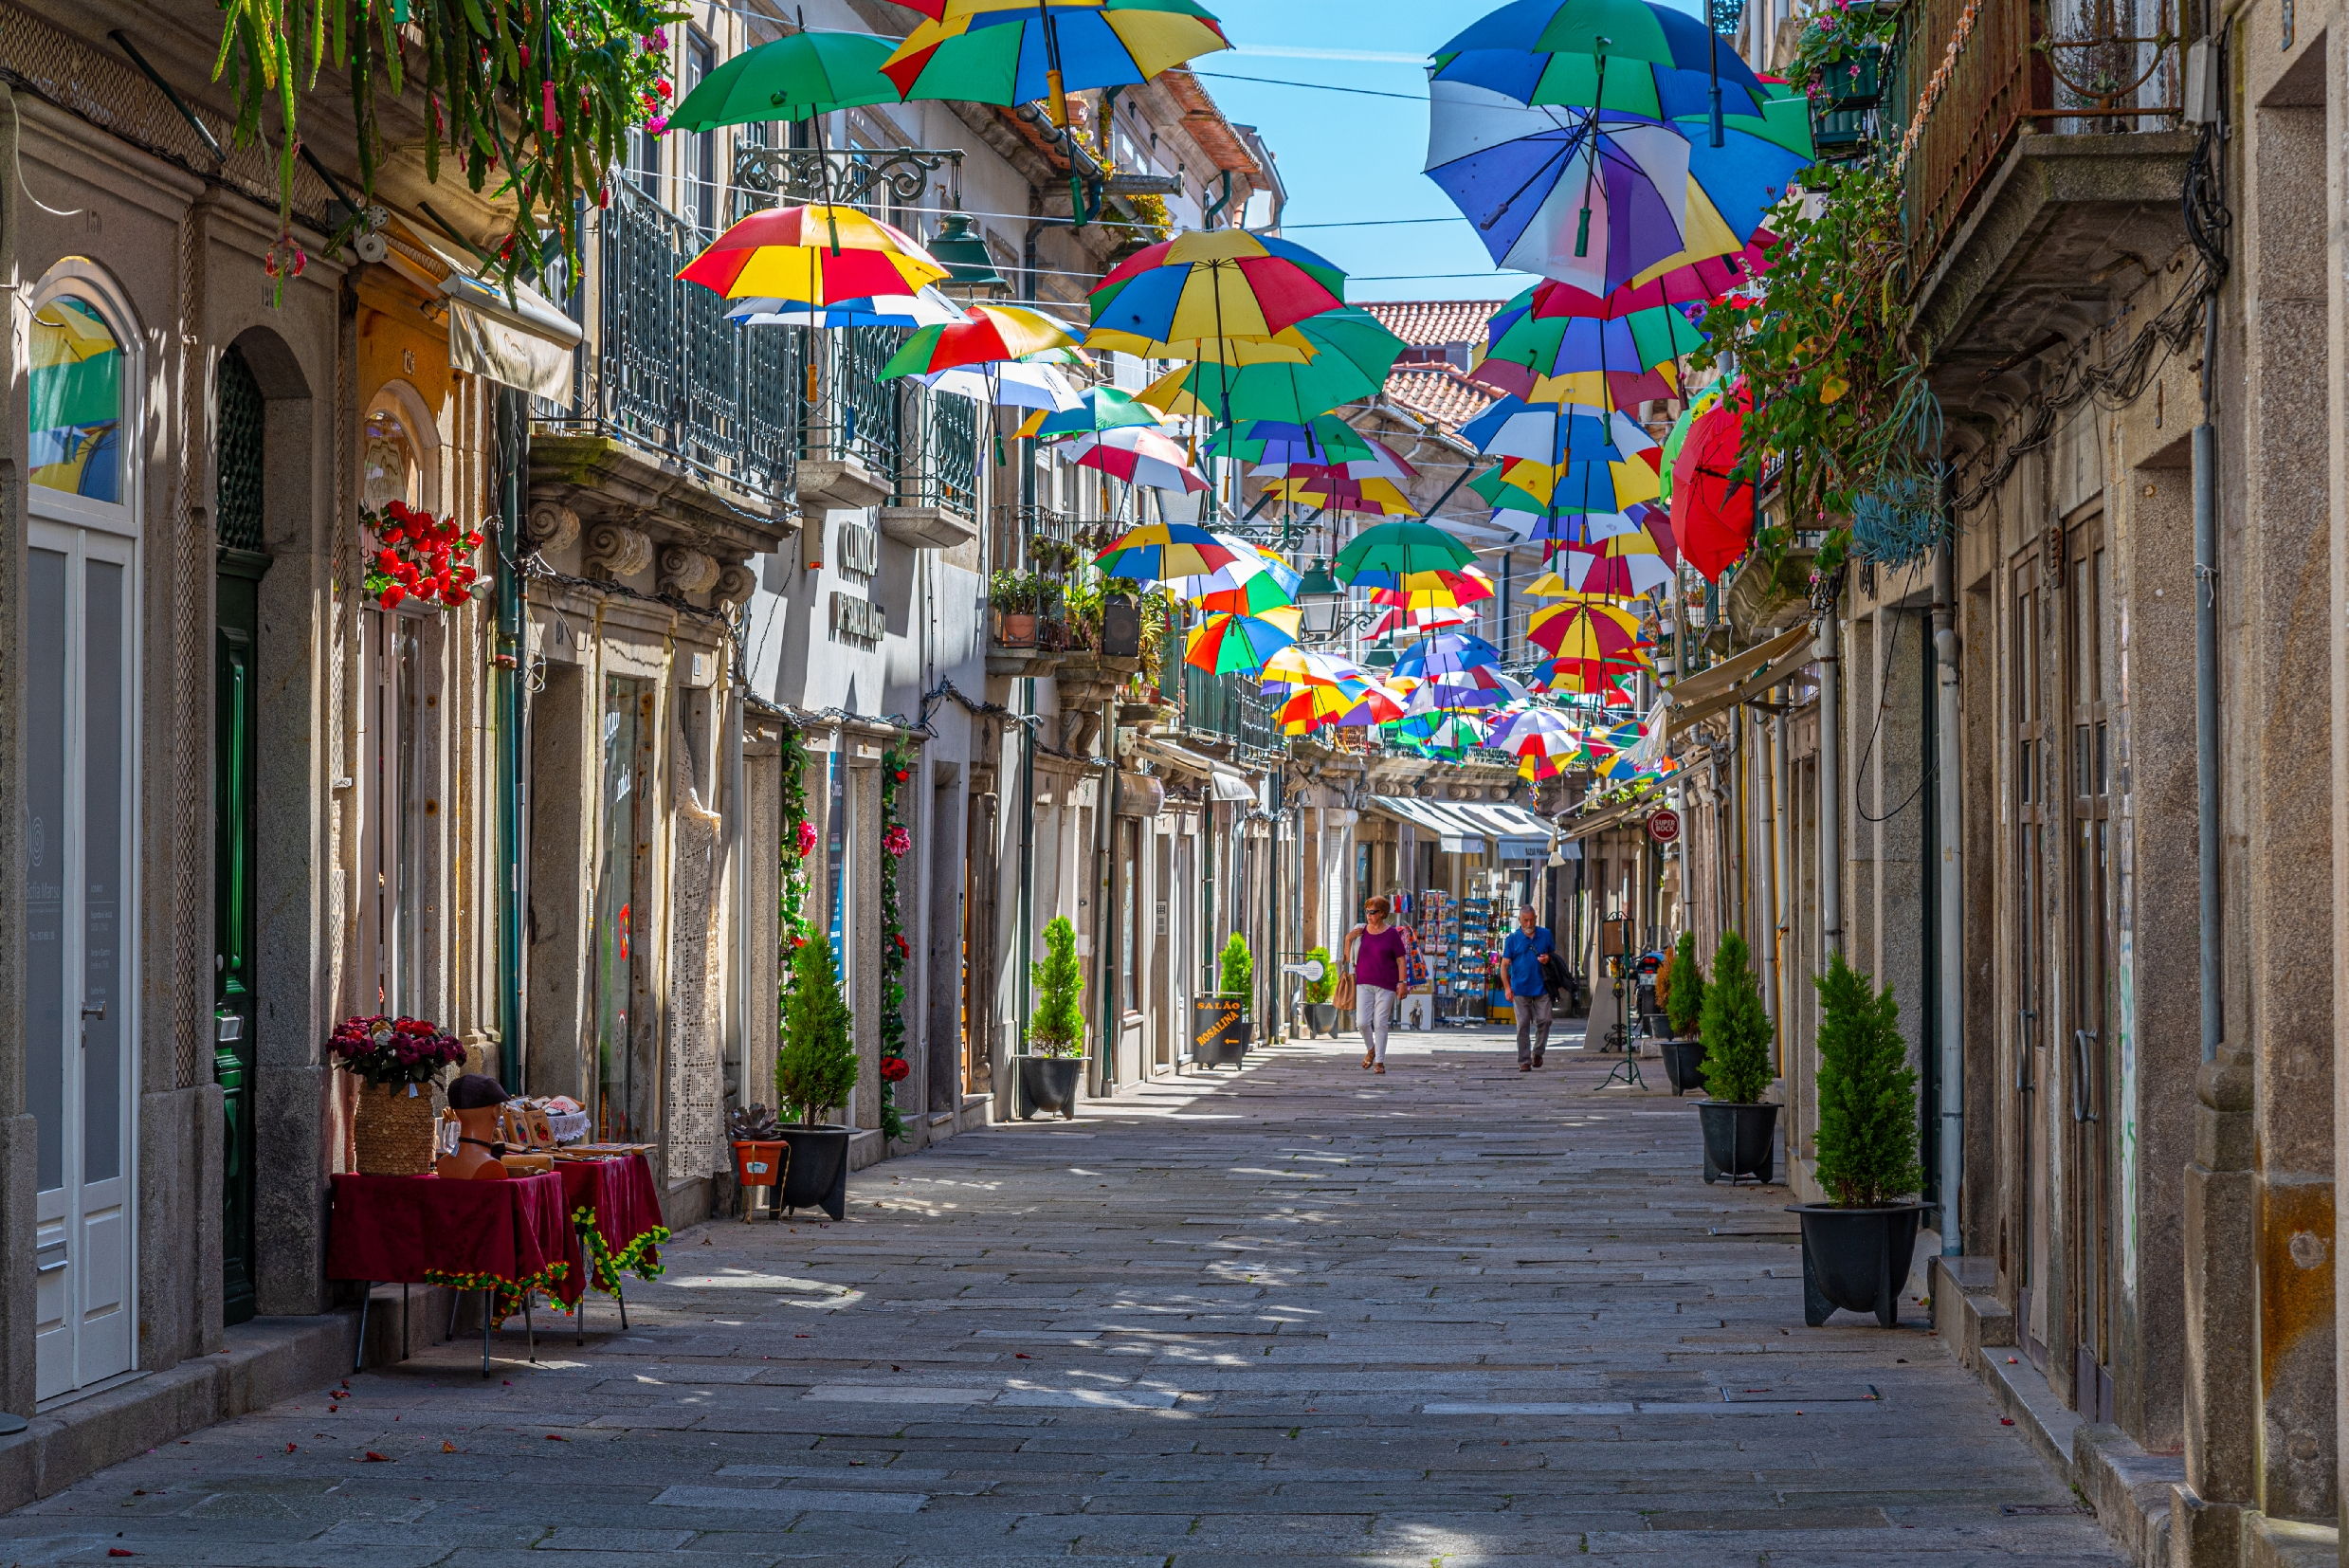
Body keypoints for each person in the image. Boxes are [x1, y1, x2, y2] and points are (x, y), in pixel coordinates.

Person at [1344, 897, 1415, 1075]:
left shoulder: (1391, 934)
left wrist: (1402, 983)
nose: (1368, 915)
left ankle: (1379, 1062)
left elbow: (1401, 960)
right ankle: (1371, 1049)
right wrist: (1348, 939)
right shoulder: (1360, 932)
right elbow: (1348, 958)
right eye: (1366, 911)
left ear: (1382, 913)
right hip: (1363, 982)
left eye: (1372, 912)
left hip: (1386, 984)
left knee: (1380, 1022)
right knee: (1361, 1022)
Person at [1502, 905, 1557, 1071]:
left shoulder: (1545, 935)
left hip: (1542, 987)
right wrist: (1507, 988)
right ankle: (1524, 1061)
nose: (1529, 923)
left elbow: (1555, 958)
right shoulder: (1512, 939)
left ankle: (1538, 1052)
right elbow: (1504, 966)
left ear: (1536, 917)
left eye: (1532, 919)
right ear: (1519, 920)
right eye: (1525, 920)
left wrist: (1549, 959)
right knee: (1523, 1024)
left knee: (1545, 1020)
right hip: (1520, 988)